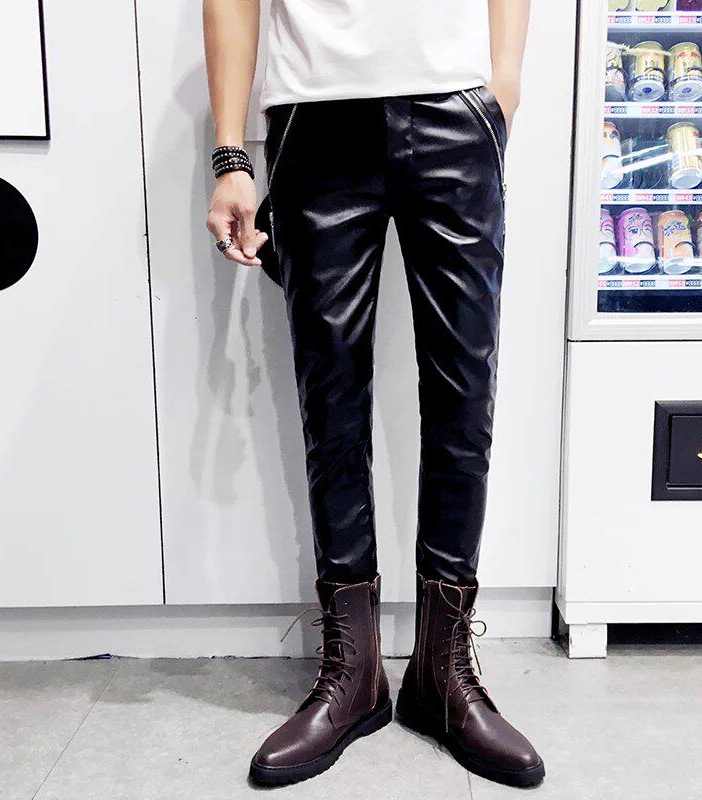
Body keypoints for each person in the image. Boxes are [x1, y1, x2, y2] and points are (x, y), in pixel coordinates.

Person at [203, 0, 543, 788]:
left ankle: (443, 673)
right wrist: (230, 154)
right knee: (331, 401)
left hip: (459, 111)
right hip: (314, 116)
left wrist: (503, 86)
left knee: (465, 396)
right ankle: (352, 674)